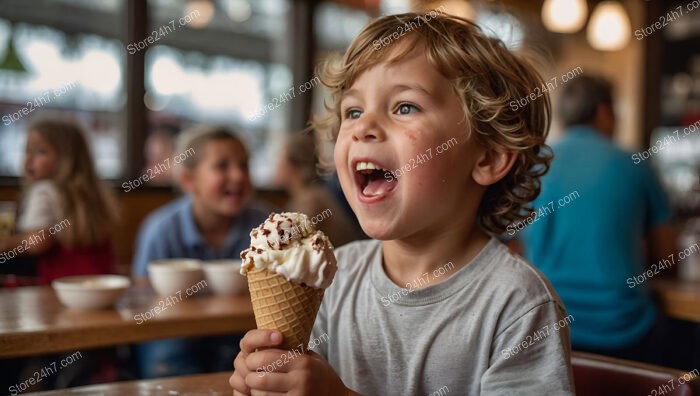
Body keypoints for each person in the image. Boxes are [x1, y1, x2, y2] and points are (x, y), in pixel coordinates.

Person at [229, 12, 574, 395]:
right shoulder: (333, 277)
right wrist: (273, 380)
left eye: (404, 107)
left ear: (488, 157)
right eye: (353, 111)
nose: (363, 127)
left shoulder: (518, 305)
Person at [518, 75, 684, 368]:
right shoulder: (634, 163)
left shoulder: (536, 164)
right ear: (604, 112)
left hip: (548, 329)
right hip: (623, 333)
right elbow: (668, 254)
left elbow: (514, 249)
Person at [132, 125, 269, 378]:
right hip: (173, 333)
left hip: (242, 330)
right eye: (222, 166)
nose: (238, 176)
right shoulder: (161, 229)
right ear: (188, 180)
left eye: (244, 166)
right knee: (166, 361)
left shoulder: (266, 226)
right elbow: (142, 294)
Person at [0, 116, 118, 284]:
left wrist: (6, 245)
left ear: (67, 159)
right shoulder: (92, 194)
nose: (28, 159)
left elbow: (39, 240)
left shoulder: (44, 191)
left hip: (59, 288)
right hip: (100, 284)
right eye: (26, 151)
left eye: (41, 151)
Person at [273, 131, 363, 247]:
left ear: (293, 167)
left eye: (279, 161)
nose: (276, 167)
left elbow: (290, 246)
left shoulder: (310, 202)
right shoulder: (315, 194)